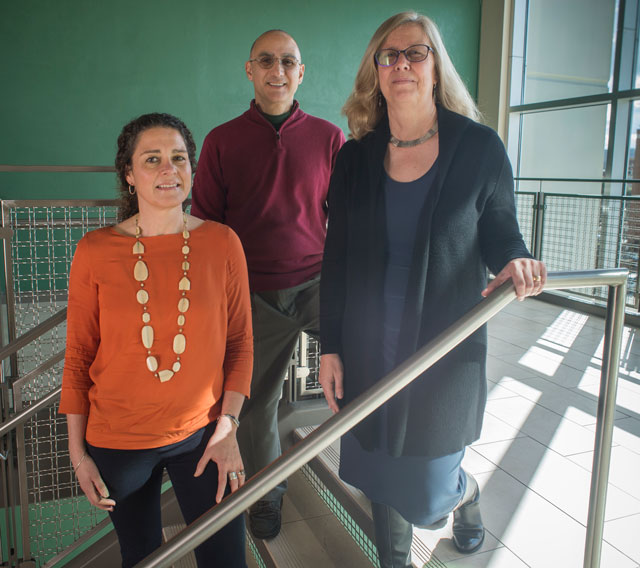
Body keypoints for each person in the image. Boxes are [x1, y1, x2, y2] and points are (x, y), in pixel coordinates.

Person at [318, 12, 547, 567]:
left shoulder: (479, 149)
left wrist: (516, 258)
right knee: (376, 472)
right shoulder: (355, 158)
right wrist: (329, 346)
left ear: (435, 65)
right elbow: (337, 259)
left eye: (415, 53)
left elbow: (500, 233)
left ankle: (463, 496)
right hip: (369, 344)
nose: (402, 64)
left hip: (442, 348)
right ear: (376, 70)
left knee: (426, 495)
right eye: (389, 55)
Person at [59, 113, 253, 568]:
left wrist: (229, 425)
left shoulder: (223, 243)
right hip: (117, 441)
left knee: (227, 558)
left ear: (191, 169)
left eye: (178, 158)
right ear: (129, 175)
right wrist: (77, 456)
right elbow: (79, 355)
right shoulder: (95, 250)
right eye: (152, 160)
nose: (169, 169)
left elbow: (241, 343)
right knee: (141, 559)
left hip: (204, 436)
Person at [191, 29, 345, 539]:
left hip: (320, 284)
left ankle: (378, 468)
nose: (277, 70)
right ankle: (266, 492)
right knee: (256, 405)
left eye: (288, 61)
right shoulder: (221, 141)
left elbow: (341, 218)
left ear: (301, 73)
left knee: (373, 360)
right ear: (249, 70)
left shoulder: (328, 138)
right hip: (255, 295)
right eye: (266, 61)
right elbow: (207, 225)